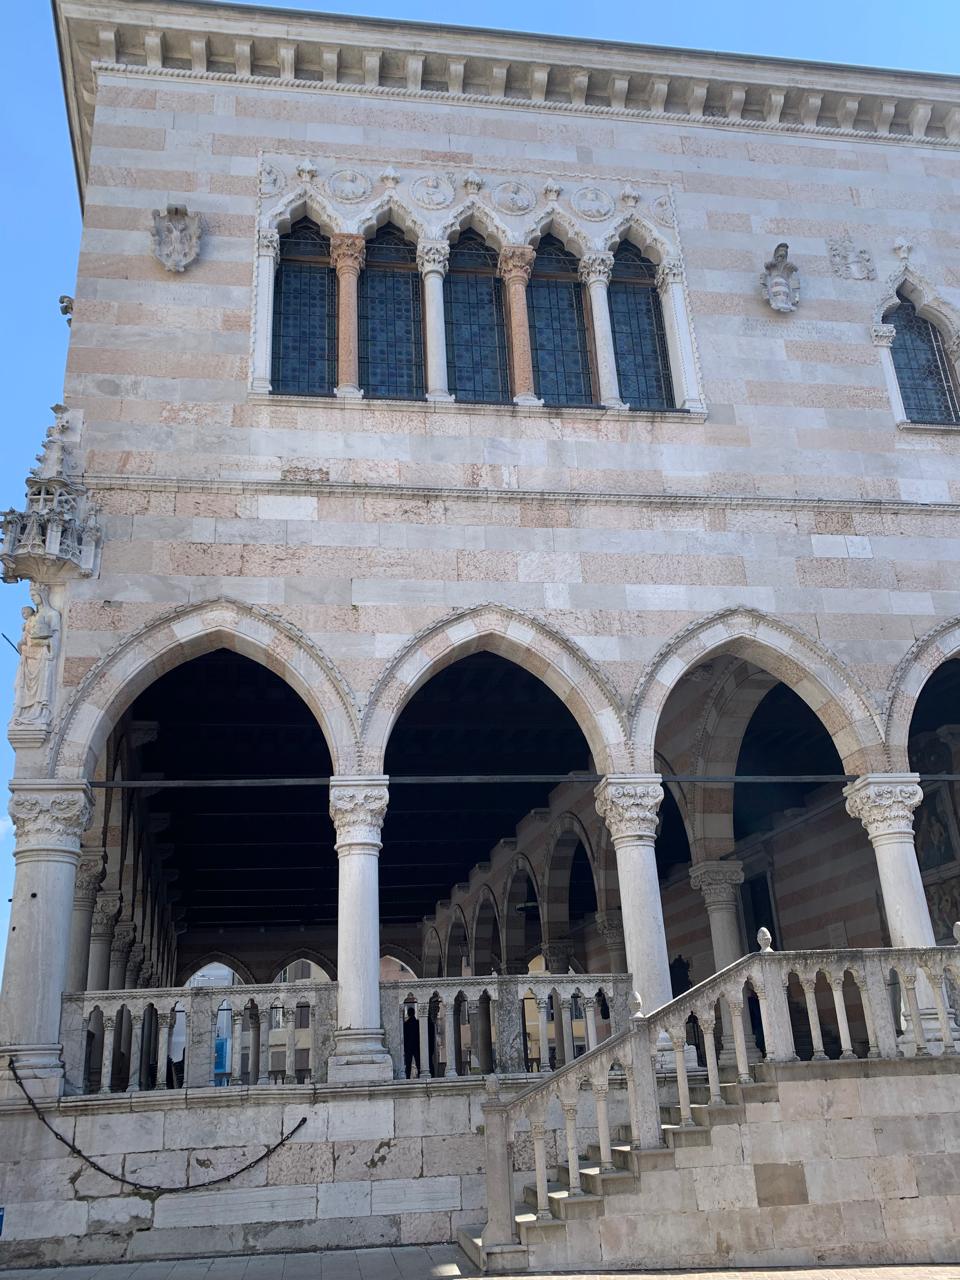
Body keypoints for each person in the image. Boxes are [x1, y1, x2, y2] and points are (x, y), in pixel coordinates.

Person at [403, 1005, 420, 1079]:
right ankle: (420, 1074)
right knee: (418, 1063)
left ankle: (407, 1077)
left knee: (408, 1063)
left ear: (408, 1014)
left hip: (408, 1047)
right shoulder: (418, 1023)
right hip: (416, 1046)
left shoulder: (406, 1024)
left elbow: (404, 1036)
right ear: (414, 1013)